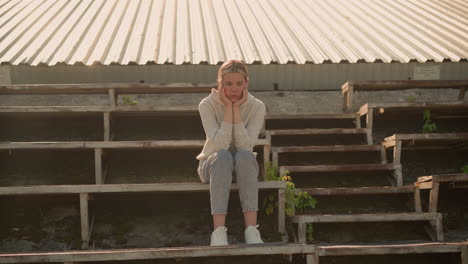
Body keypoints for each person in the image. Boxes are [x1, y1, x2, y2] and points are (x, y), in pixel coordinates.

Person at [196, 59, 267, 246]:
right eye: (228, 84)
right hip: (212, 166)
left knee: (244, 155)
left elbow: (246, 146)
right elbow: (220, 145)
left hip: (244, 166)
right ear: (219, 83)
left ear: (246, 83)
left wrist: (236, 109)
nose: (234, 89)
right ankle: (218, 232)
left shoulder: (257, 106)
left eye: (239, 84)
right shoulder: (206, 105)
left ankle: (252, 230)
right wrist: (229, 108)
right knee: (223, 156)